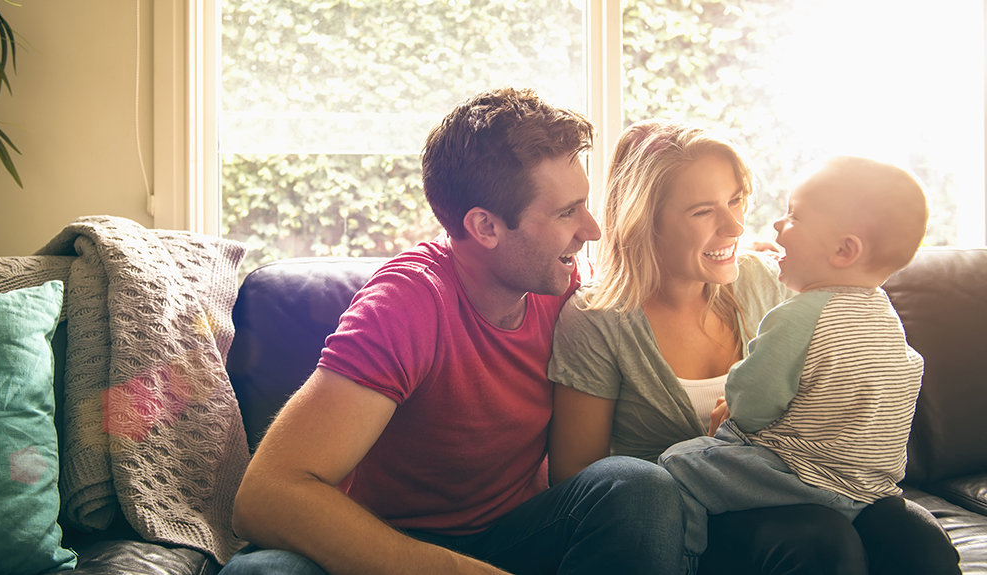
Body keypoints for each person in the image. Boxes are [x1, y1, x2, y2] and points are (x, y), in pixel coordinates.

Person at [220, 87, 685, 575]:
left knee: (636, 487)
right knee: (262, 572)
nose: (592, 230)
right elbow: (265, 496)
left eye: (584, 205)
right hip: (384, 543)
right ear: (485, 227)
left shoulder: (566, 289)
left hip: (518, 533)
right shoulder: (406, 304)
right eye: (567, 212)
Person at [546, 121, 960, 575]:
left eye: (736, 199)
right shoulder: (597, 318)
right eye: (704, 211)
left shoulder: (770, 280)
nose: (735, 225)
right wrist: (715, 441)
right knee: (818, 540)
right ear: (646, 218)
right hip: (692, 519)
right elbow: (579, 477)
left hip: (806, 487)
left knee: (917, 536)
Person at [657, 156, 928, 574]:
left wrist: (734, 397)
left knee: (677, 463)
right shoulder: (885, 318)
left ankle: (684, 559)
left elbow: (751, 405)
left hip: (800, 476)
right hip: (870, 489)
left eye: (794, 216)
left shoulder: (800, 315)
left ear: (844, 250)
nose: (777, 226)